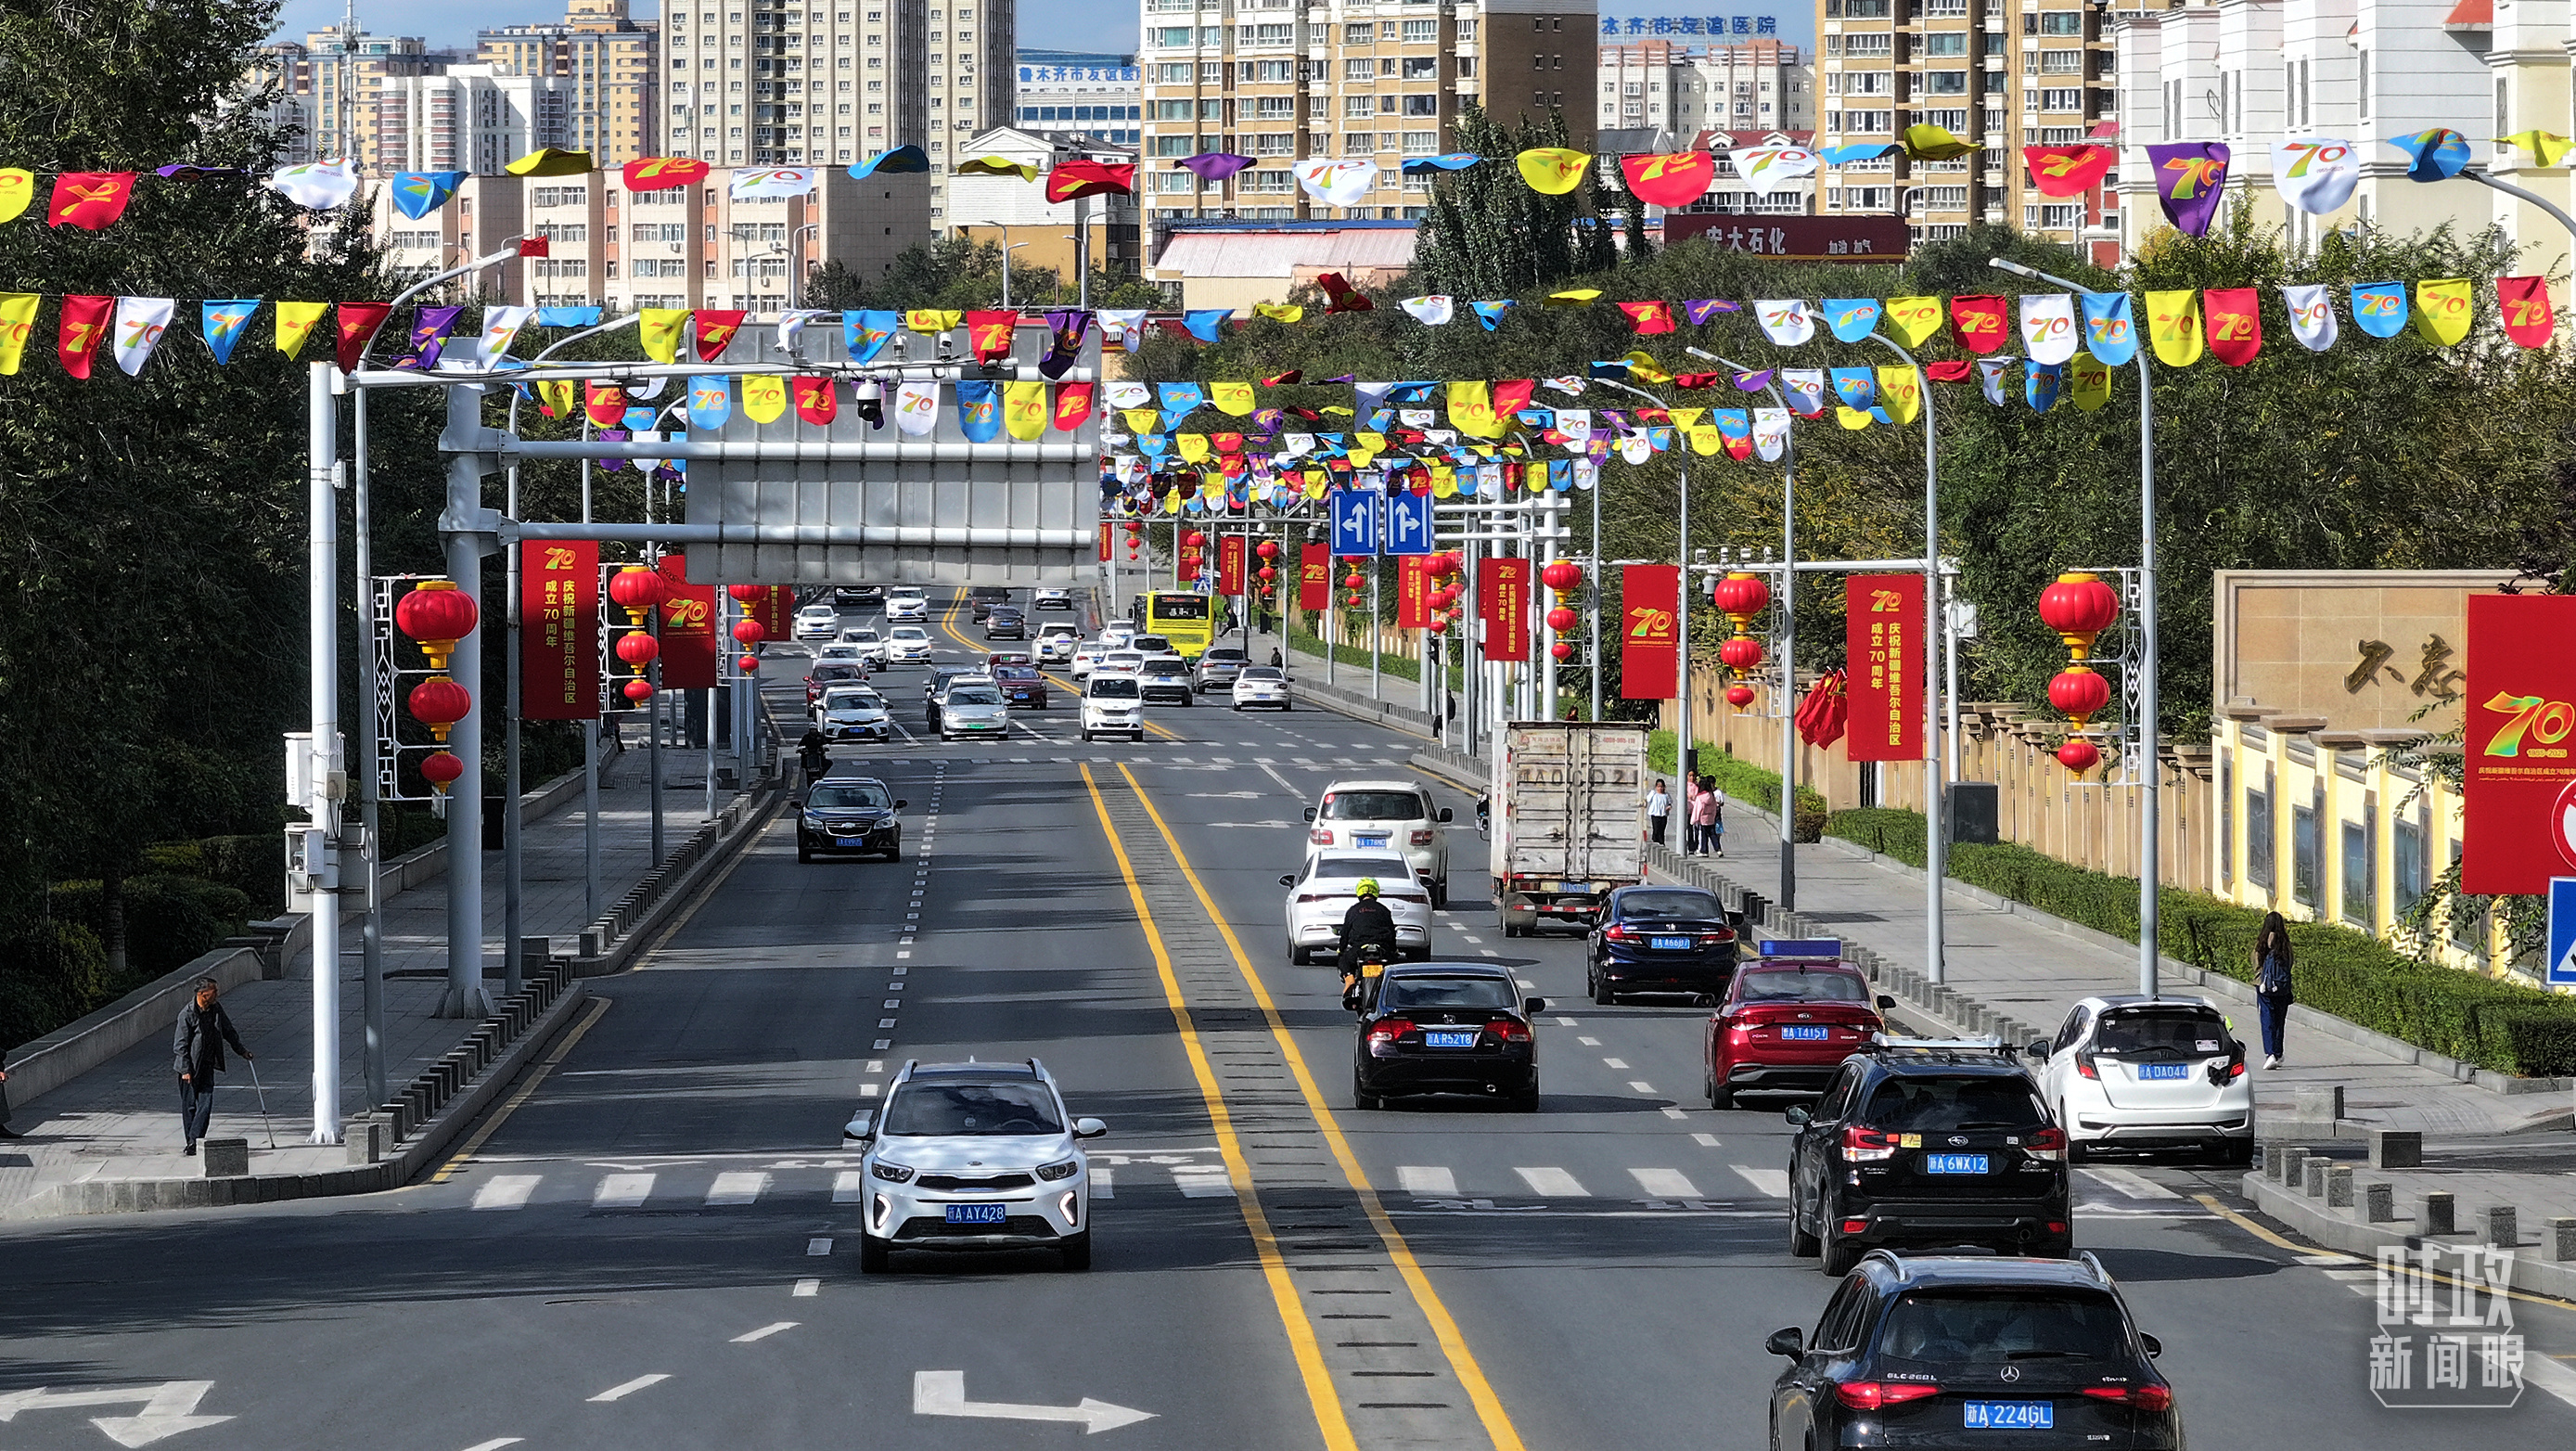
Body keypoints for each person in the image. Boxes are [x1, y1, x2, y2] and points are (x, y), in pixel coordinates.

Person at [173, 976, 252, 1155]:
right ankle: (192, 1142)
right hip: (190, 1068)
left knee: (205, 1104)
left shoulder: (216, 1009)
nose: (217, 994)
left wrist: (242, 1051)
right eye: (214, 991)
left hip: (207, 1064)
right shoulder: (187, 1014)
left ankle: (195, 1140)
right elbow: (180, 1045)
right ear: (203, 994)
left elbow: (228, 1031)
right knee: (190, 1106)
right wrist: (185, 1069)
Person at [1337, 878, 1400, 1002]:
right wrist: (1393, 950)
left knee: (1344, 962)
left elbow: (1345, 933)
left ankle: (1349, 979)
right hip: (1382, 948)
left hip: (1359, 948)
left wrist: (1341, 950)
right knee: (1394, 967)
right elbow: (1391, 933)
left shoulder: (1353, 910)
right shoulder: (1384, 910)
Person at [2253, 911, 2295, 1068]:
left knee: (2267, 1020)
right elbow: (2290, 963)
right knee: (2279, 1021)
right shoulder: (2285, 943)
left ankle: (2270, 1053)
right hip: (2283, 988)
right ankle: (2278, 1053)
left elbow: (2255, 961)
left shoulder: (2263, 941)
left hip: (2265, 988)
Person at [1689, 775, 1722, 855]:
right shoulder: (1711, 795)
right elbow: (1714, 807)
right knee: (1713, 834)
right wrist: (1713, 816)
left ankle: (1704, 851)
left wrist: (1694, 820)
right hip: (1711, 818)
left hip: (1703, 818)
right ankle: (1718, 849)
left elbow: (1698, 809)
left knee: (1704, 835)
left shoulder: (1700, 797)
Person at [1646, 777, 1672, 847]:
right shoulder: (1654, 793)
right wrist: (1652, 792)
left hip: (1663, 815)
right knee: (1656, 829)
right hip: (1655, 815)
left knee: (1662, 830)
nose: (1660, 788)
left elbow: (1670, 803)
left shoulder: (1666, 795)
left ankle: (1662, 843)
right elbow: (1648, 799)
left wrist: (1669, 807)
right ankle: (1655, 841)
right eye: (1659, 787)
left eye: (1662, 787)